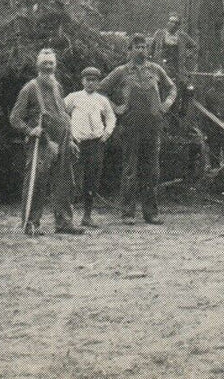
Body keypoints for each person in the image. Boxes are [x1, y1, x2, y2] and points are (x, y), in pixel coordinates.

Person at [98, 34, 176, 225]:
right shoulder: (121, 71)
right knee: (130, 170)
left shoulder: (156, 70)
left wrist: (167, 103)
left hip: (153, 127)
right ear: (130, 50)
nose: (141, 50)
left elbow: (172, 88)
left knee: (152, 170)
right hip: (130, 127)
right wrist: (116, 108)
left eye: (144, 47)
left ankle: (151, 213)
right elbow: (100, 91)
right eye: (137, 47)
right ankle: (128, 213)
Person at [8, 48, 82, 236]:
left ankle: (64, 222)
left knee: (65, 181)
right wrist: (30, 130)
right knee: (37, 182)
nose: (48, 66)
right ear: (37, 65)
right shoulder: (30, 88)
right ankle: (31, 223)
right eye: (44, 63)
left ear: (55, 65)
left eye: (51, 63)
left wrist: (71, 139)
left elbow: (63, 113)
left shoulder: (57, 86)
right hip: (42, 141)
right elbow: (15, 117)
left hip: (63, 138)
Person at [64, 66, 116, 228]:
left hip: (96, 145)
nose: (90, 83)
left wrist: (106, 134)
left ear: (98, 82)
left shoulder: (102, 100)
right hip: (77, 144)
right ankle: (67, 217)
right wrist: (68, 135)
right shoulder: (74, 97)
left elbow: (111, 118)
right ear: (82, 81)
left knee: (91, 180)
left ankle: (87, 216)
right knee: (73, 180)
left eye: (94, 80)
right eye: (88, 80)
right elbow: (61, 114)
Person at [151, 13, 197, 94]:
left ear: (179, 26)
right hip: (161, 66)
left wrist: (187, 55)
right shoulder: (159, 34)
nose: (173, 25)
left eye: (176, 23)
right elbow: (151, 49)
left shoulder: (182, 36)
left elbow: (194, 47)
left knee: (177, 90)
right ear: (167, 23)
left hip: (177, 68)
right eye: (171, 22)